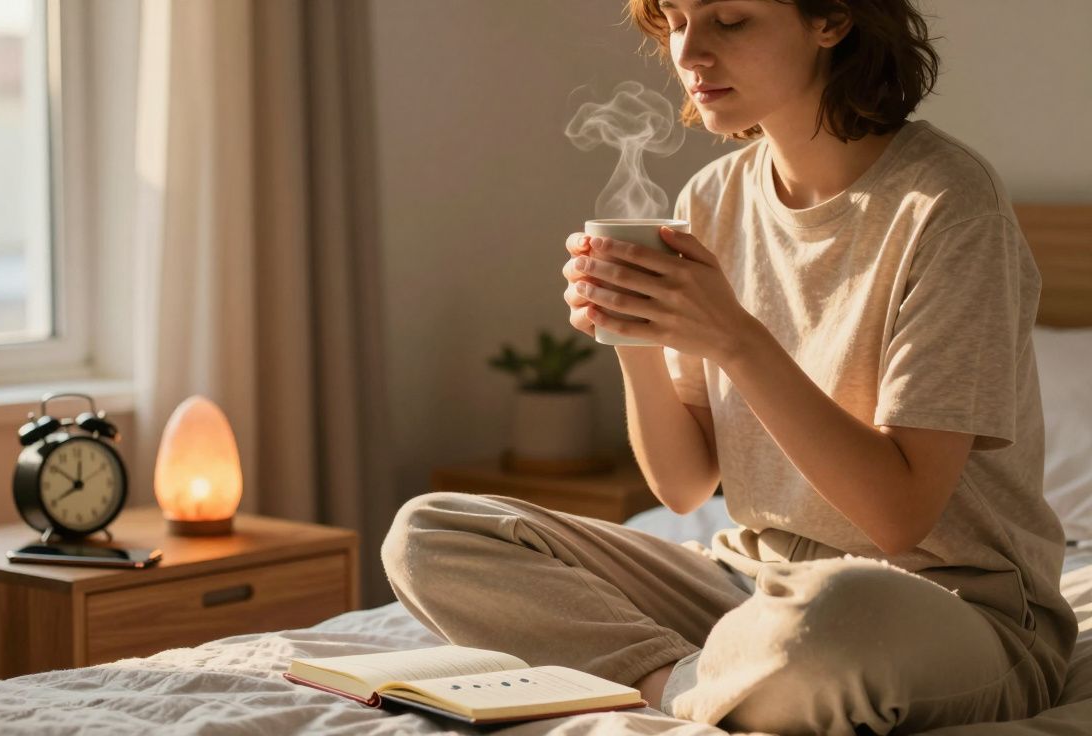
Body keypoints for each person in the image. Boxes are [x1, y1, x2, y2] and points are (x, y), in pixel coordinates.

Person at [380, 0, 1078, 732]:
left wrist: (735, 339)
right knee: (430, 533)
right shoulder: (712, 197)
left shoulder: (948, 205)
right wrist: (637, 338)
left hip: (937, 604)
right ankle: (677, 679)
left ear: (831, 19)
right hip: (748, 583)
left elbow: (898, 518)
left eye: (730, 20)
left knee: (828, 621)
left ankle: (705, 673)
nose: (690, 51)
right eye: (677, 20)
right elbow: (684, 487)